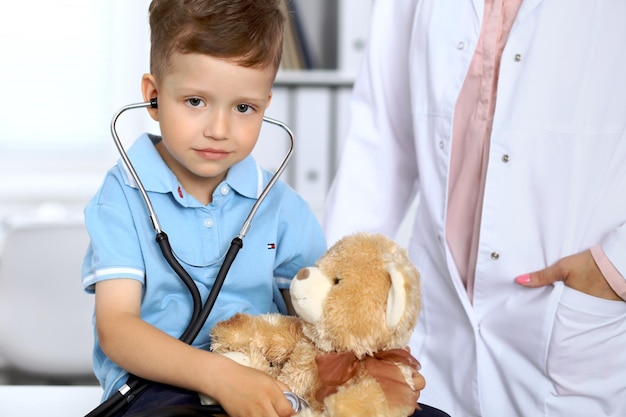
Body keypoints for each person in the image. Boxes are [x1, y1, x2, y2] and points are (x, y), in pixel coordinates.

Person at [324, 1, 626, 416]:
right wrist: (335, 292)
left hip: (578, 320)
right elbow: (381, 139)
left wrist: (616, 269)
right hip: (440, 313)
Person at [81, 1, 327, 416]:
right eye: (195, 101)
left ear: (266, 104)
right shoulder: (122, 196)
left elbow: (321, 320)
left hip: (266, 383)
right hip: (155, 388)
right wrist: (220, 376)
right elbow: (117, 328)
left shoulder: (280, 206)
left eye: (243, 108)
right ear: (153, 96)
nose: (219, 129)